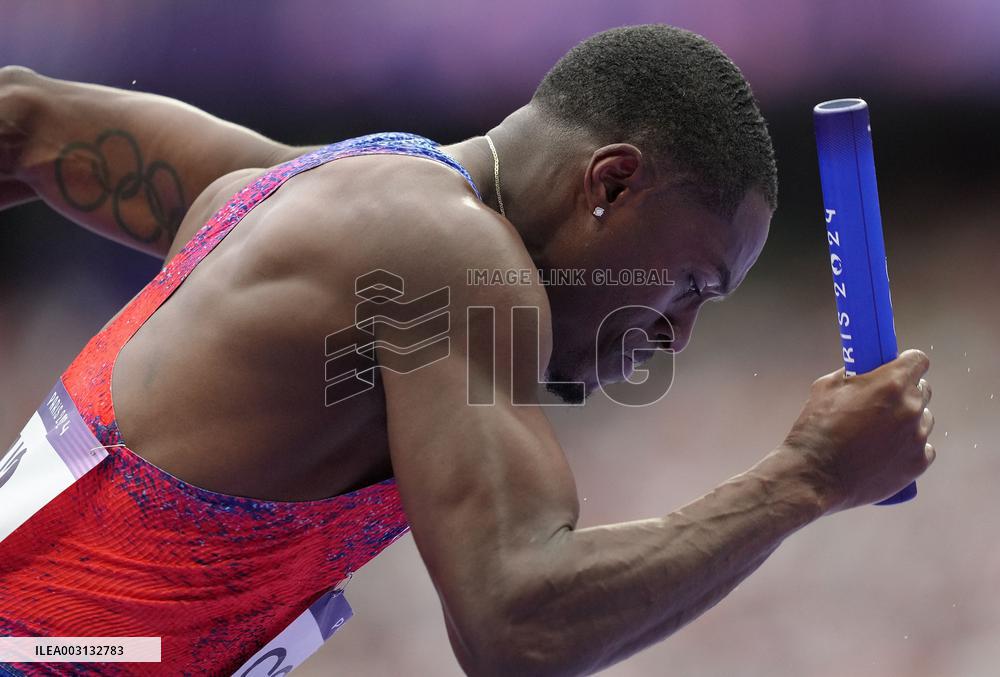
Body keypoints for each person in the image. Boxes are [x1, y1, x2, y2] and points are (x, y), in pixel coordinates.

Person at [0, 24, 934, 677]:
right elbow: (518, 625)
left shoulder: (320, 185)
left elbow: (25, 115)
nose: (676, 334)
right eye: (692, 282)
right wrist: (807, 476)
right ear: (611, 184)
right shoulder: (447, 254)